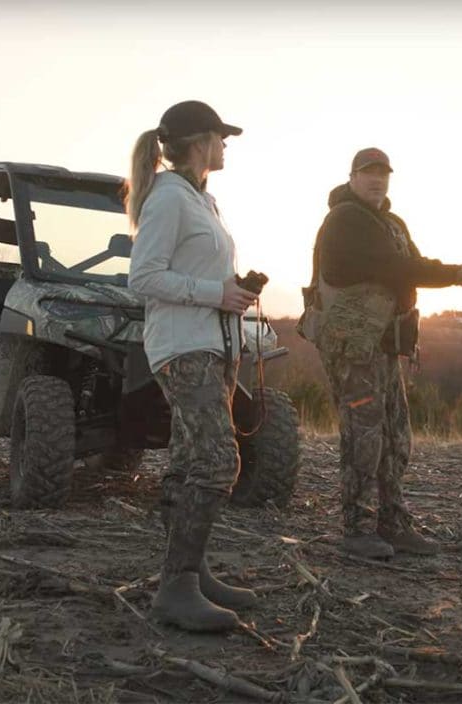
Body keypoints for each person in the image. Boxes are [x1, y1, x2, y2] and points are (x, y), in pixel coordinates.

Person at [301, 147, 462, 560]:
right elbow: (395, 268)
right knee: (364, 436)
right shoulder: (345, 221)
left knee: (396, 436)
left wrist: (459, 273)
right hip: (353, 347)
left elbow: (414, 263)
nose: (377, 180)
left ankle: (392, 522)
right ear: (351, 177)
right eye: (368, 173)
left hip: (382, 346)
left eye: (383, 174)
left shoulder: (392, 223)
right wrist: (457, 274)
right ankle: (357, 528)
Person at [126, 100, 258, 632]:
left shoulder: (202, 199)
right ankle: (175, 586)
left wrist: (231, 295)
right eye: (221, 137)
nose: (226, 145)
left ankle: (191, 572)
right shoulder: (167, 199)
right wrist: (215, 293)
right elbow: (143, 277)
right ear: (202, 141)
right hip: (182, 348)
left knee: (187, 461)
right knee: (217, 461)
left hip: (212, 346)